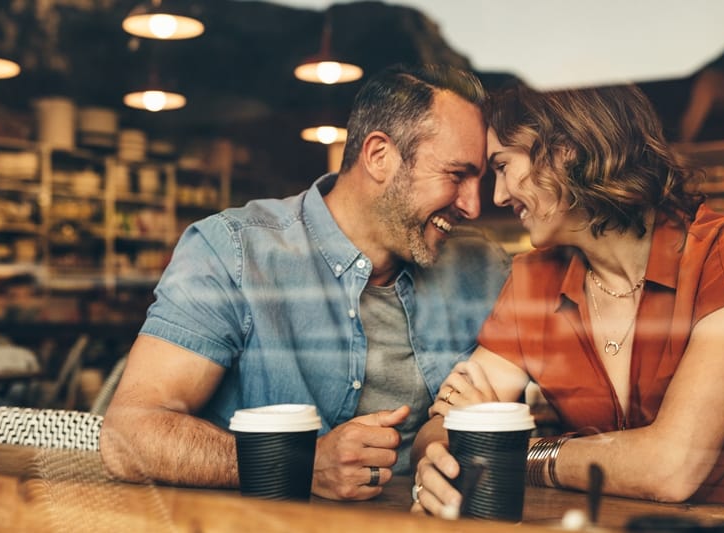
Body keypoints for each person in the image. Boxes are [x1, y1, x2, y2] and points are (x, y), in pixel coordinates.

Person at [99, 64, 510, 501]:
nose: (473, 206)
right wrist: (297, 464)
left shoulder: (481, 268)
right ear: (379, 156)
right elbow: (128, 436)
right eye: (456, 175)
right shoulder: (233, 251)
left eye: (481, 179)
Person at [412, 82, 724, 514]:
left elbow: (669, 468)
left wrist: (505, 450)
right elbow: (437, 431)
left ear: (566, 150)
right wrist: (446, 455)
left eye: (502, 166)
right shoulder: (534, 279)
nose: (497, 196)